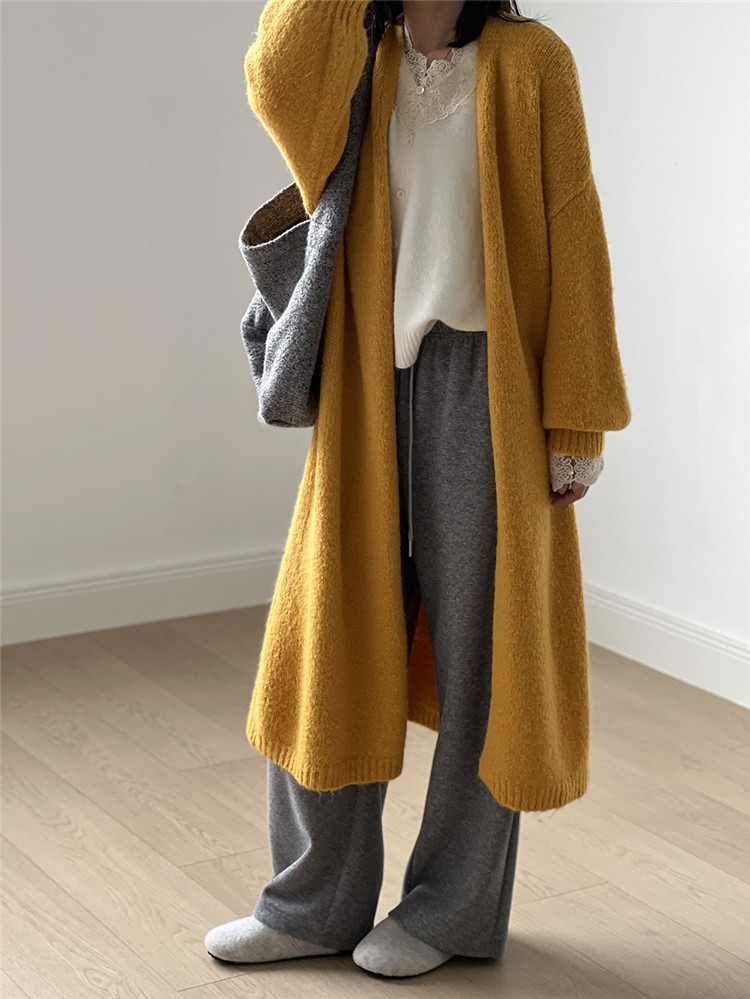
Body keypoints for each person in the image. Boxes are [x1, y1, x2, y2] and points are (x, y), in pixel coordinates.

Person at [206, 0, 631, 979]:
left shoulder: (533, 62)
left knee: (487, 659)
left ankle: (449, 914)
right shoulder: (355, 58)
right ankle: (310, 905)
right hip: (367, 378)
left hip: (489, 390)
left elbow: (576, 238)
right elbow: (276, 73)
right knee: (326, 645)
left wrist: (577, 423)